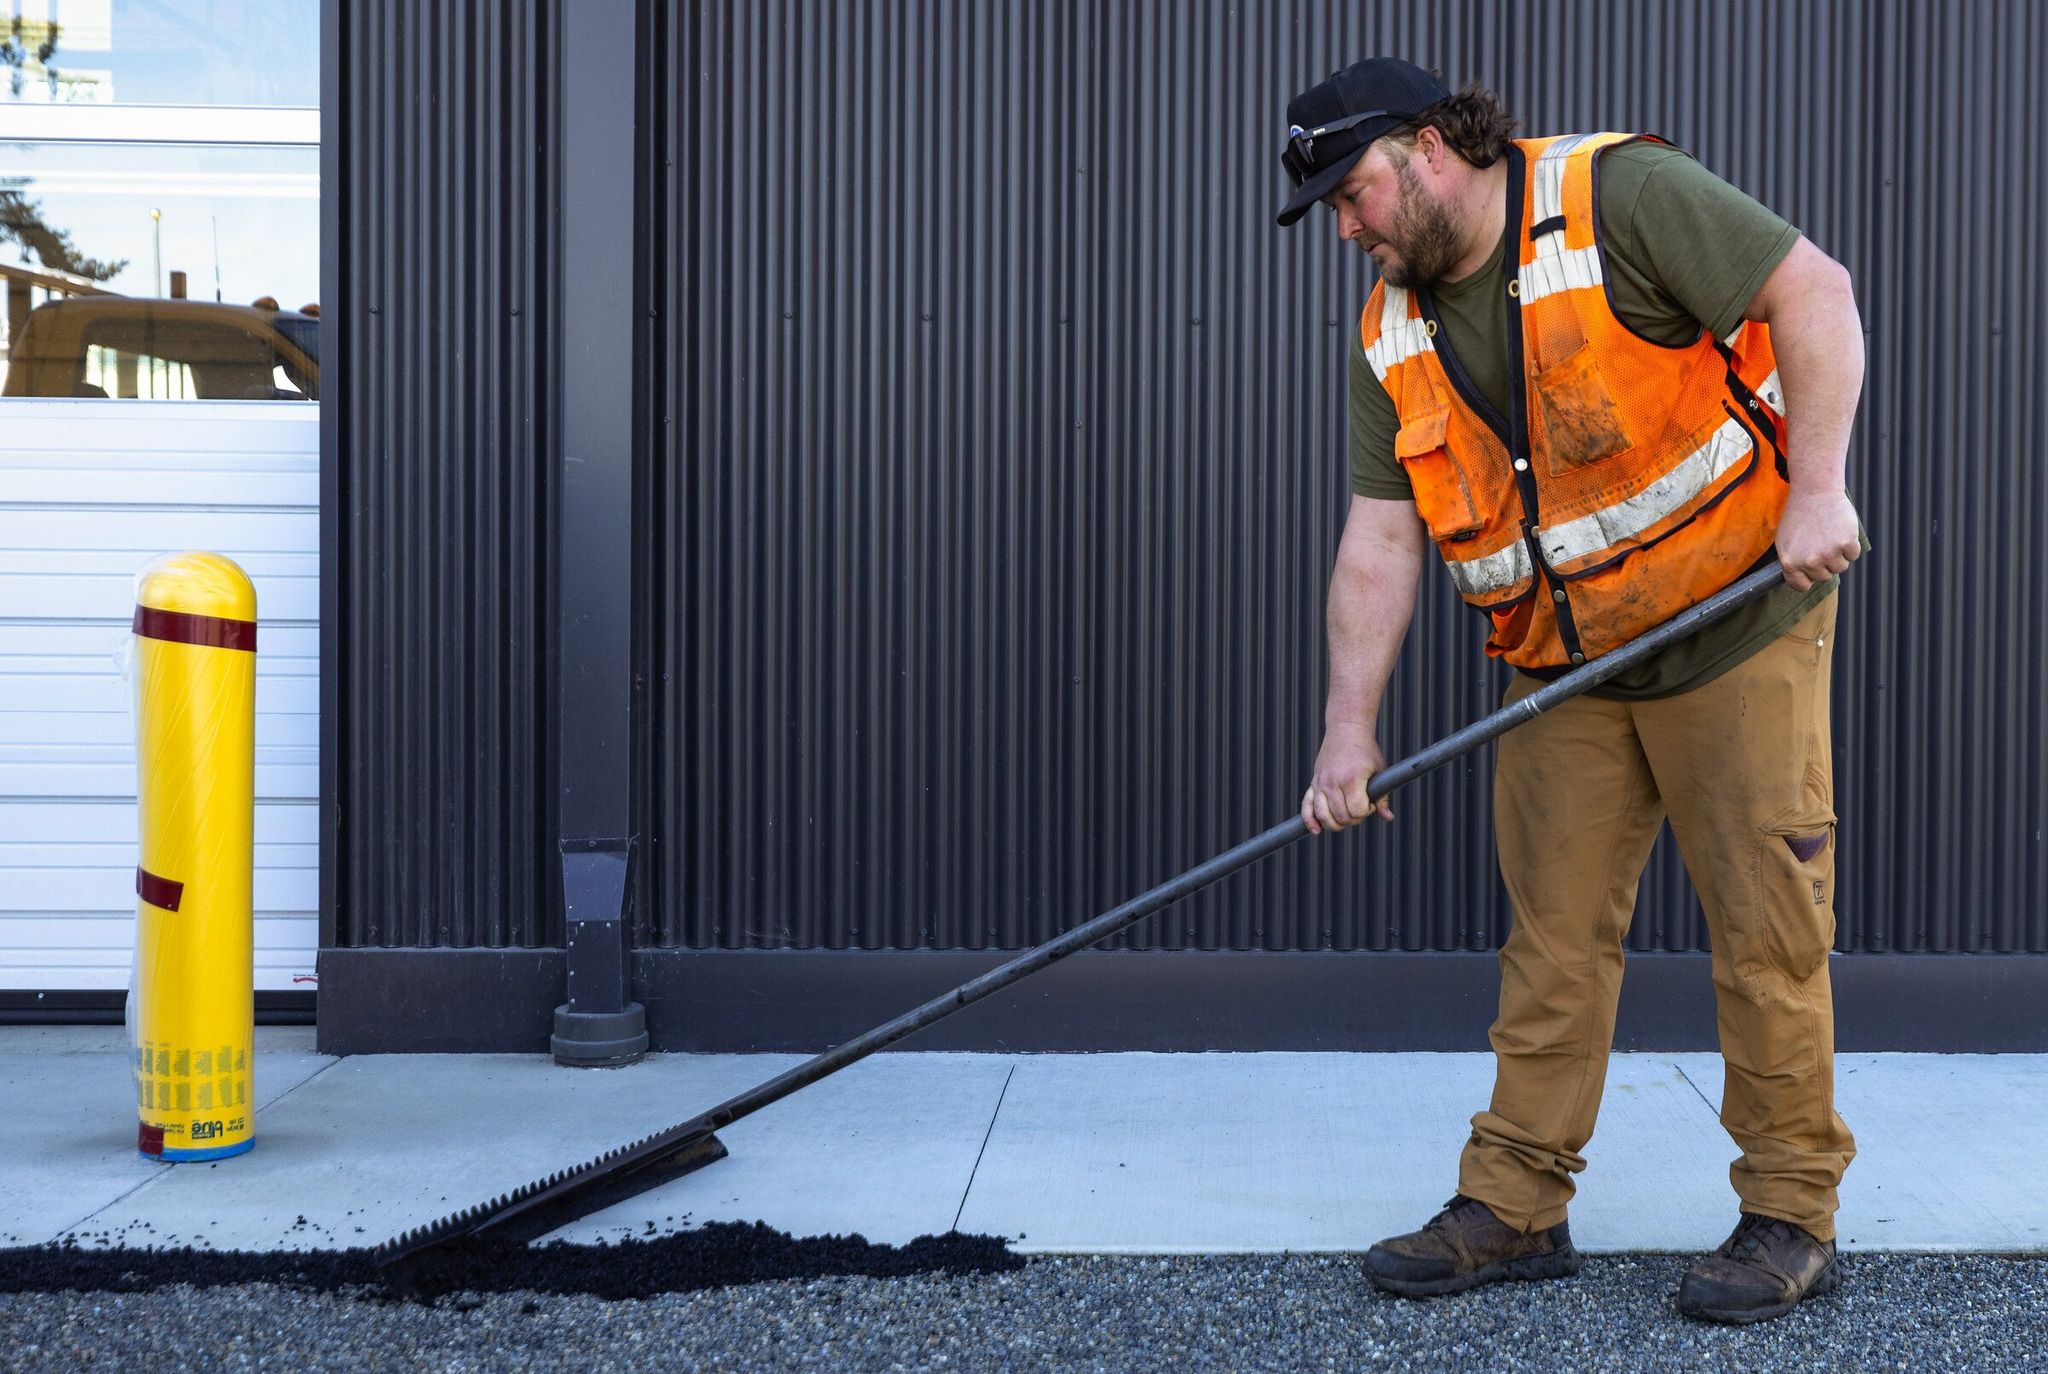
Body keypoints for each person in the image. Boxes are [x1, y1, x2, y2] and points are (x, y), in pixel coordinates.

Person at [1276, 58, 1865, 1325]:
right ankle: (1515, 1204)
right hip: (1567, 666)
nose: (1346, 227)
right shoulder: (1392, 327)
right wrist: (1346, 729)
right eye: (1330, 209)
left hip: (1733, 627)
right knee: (1549, 939)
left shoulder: (1616, 199)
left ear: (1428, 149)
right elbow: (1378, 543)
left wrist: (1816, 488)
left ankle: (1787, 1211)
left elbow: (1813, 292)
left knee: (1765, 931)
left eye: (1354, 193)